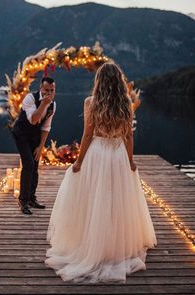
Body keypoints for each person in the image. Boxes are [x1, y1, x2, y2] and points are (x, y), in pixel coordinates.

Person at [45, 63, 157, 283]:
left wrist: (78, 162)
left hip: (97, 154)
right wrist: (131, 161)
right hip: (117, 155)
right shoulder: (126, 103)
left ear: (99, 81)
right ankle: (115, 245)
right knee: (116, 201)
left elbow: (87, 136)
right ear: (118, 81)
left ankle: (94, 244)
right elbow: (128, 137)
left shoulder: (91, 102)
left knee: (94, 199)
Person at [12, 77, 56, 215]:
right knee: (28, 164)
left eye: (52, 90)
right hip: (22, 134)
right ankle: (23, 200)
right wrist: (43, 104)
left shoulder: (53, 105)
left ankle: (31, 198)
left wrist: (41, 146)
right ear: (41, 88)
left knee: (35, 164)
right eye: (46, 90)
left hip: (35, 136)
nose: (49, 93)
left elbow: (46, 127)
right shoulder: (30, 98)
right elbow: (33, 120)